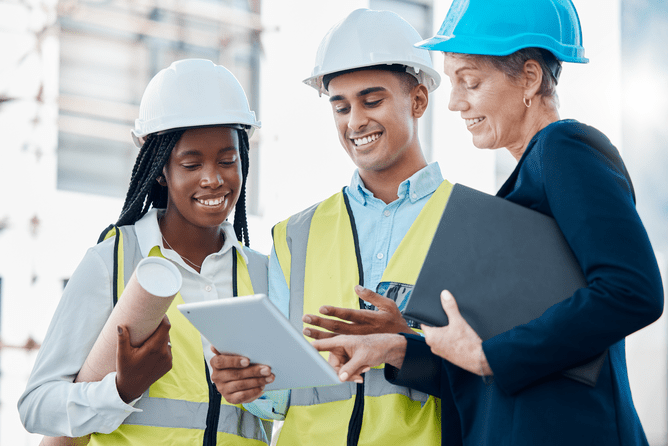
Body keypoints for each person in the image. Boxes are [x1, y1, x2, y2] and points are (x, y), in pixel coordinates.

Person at [311, 1, 665, 445]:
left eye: (470, 82)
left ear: (530, 79)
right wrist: (398, 348)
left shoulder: (564, 150)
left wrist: (491, 355)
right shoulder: (524, 189)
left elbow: (632, 292)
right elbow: (491, 366)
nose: (456, 102)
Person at [209, 8, 450, 446]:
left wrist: (407, 344)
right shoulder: (295, 236)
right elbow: (282, 397)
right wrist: (246, 385)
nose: (354, 121)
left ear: (418, 100)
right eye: (340, 106)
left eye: (371, 100)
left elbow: (493, 375)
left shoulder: (468, 221)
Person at [18, 59, 273, 445]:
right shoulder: (112, 263)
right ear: (159, 170)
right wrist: (120, 389)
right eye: (191, 163)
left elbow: (287, 402)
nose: (213, 179)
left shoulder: (263, 274)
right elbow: (37, 406)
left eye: (227, 160)